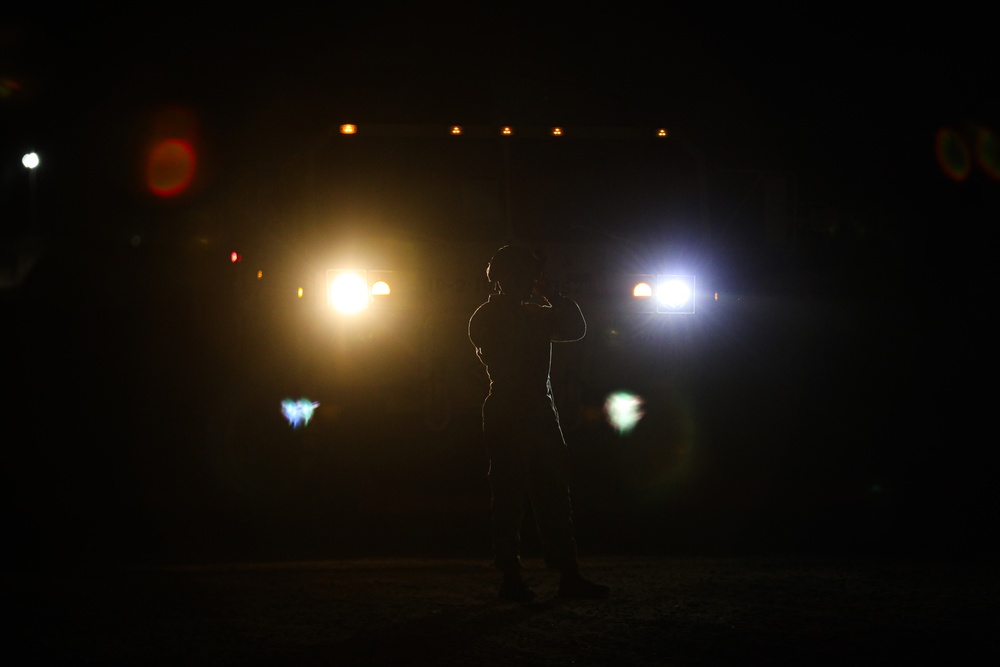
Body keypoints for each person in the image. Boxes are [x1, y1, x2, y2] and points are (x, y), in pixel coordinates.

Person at [468, 244, 610, 602]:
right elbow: (571, 328)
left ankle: (557, 573)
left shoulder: (508, 314)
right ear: (503, 278)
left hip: (527, 407)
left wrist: (549, 299)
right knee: (513, 496)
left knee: (546, 494)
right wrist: (549, 299)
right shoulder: (496, 316)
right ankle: (518, 575)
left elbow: (575, 329)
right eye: (522, 275)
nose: (528, 281)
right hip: (518, 406)